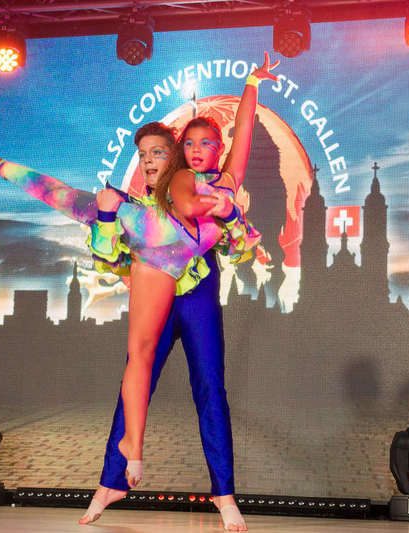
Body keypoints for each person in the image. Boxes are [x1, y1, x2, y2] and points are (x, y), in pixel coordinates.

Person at [82, 53, 279, 532]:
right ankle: (110, 482)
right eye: (187, 143)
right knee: (136, 380)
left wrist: (251, 84)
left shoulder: (222, 184)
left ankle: (224, 494)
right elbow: (112, 252)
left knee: (210, 389)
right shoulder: (149, 199)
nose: (196, 150)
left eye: (206, 143)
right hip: (156, 298)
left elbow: (244, 136)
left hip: (197, 298)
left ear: (217, 149)